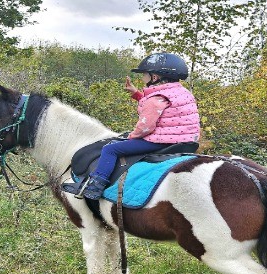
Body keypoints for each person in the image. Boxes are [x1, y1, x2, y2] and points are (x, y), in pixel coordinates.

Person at [61, 52, 200, 200]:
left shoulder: (157, 98)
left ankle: (95, 186)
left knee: (111, 149)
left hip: (161, 142)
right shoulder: (182, 93)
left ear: (155, 77)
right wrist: (137, 94)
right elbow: (161, 108)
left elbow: (146, 127)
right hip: (185, 141)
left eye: (145, 74)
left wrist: (132, 137)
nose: (142, 78)